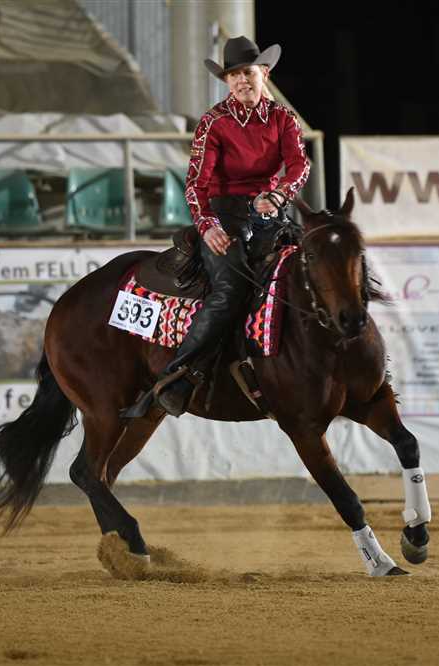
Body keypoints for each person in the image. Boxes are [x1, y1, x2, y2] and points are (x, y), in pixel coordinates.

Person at [153, 35, 311, 417]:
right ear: (227, 81)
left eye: (248, 73)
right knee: (231, 287)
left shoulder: (284, 119)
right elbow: (196, 183)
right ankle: (179, 375)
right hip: (224, 211)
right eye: (234, 74)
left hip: (269, 208)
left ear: (264, 74)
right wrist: (207, 225)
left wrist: (279, 194)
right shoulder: (214, 122)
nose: (242, 80)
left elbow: (299, 165)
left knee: (311, 269)